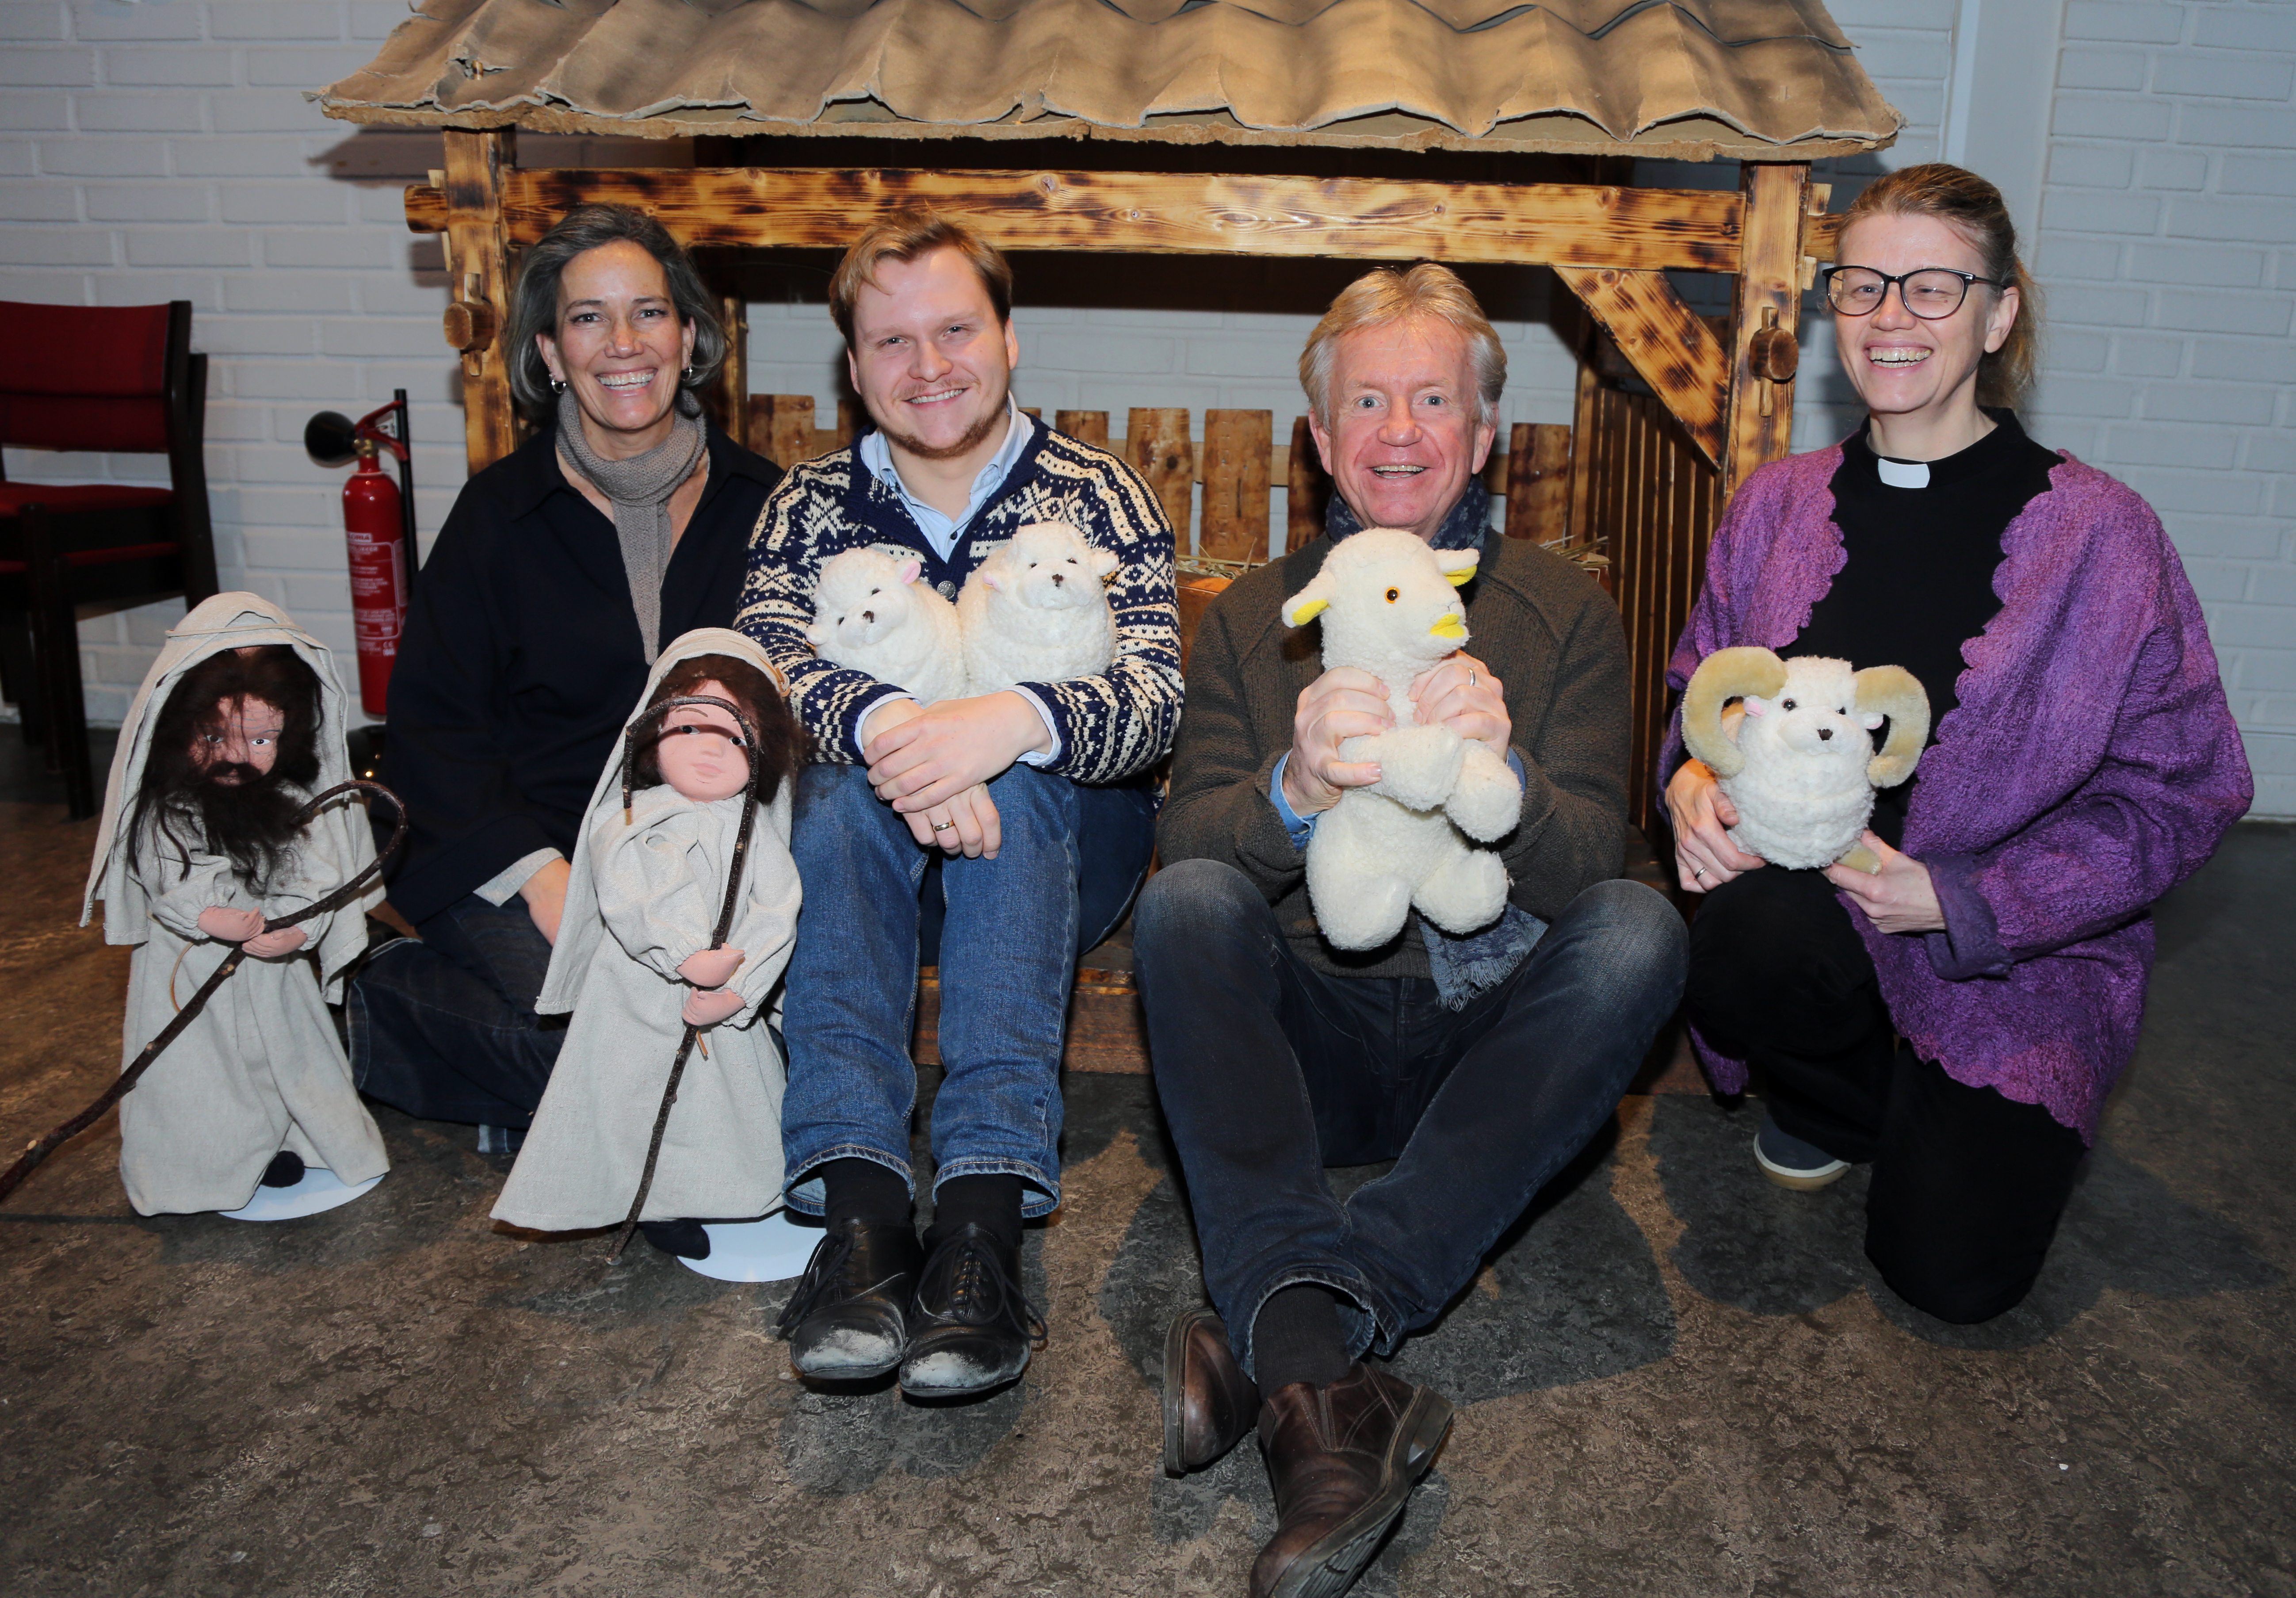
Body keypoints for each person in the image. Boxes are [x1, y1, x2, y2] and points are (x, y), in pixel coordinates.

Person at [1135, 264, 1686, 1598]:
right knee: (1187, 903)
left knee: (1638, 929)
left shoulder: (1561, 606)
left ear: (1485, 432)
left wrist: (1511, 775)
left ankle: (1288, 1326)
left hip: (1478, 1043)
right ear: (1318, 439)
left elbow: (1587, 863)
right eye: (1365, 400)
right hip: (1303, 1041)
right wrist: (1293, 793)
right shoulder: (1263, 620)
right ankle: (1332, 1371)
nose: (1398, 429)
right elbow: (1186, 852)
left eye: (1432, 398)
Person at [1662, 163, 2252, 1325]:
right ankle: (1834, 1096)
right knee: (1742, 937)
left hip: (2016, 959)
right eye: (1863, 285)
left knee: (1953, 1278)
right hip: (1817, 913)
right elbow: (1703, 684)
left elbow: (2188, 788)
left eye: (1933, 287)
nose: (1891, 316)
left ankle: (1959, 1113)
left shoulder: (2101, 535)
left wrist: (1966, 898)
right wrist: (1688, 772)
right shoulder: (1775, 503)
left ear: (1998, 312)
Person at [740, 214, 1179, 1399]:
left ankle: (981, 1220)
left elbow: (1151, 698)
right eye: (891, 341)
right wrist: (900, 732)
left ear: (1008, 338)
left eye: (953, 330)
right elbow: (769, 667)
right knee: (831, 793)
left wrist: (1006, 723)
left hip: (1062, 853)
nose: (927, 366)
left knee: (1024, 784)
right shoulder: (806, 507)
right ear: (852, 364)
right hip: (867, 871)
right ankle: (867, 1219)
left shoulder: (1099, 495)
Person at [351, 203, 784, 1148]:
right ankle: (383, 1008)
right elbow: (432, 730)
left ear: (690, 334)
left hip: (710, 860)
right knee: (641, 1060)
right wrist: (545, 879)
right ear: (549, 350)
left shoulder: (768, 505)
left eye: (648, 313)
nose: (622, 344)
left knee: (744, 1058)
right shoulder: (495, 517)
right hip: (524, 852)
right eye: (588, 318)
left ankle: (478, 1070)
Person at [492, 631, 806, 1262]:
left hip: (723, 1004)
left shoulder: (758, 834)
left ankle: (737, 1188)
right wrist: (689, 955)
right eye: (690, 728)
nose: (713, 748)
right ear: (652, 734)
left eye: (735, 733)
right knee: (636, 1095)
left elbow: (778, 912)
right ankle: (655, 1200)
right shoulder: (638, 821)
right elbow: (638, 898)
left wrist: (736, 989)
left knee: (727, 1100)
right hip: (639, 999)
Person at [83, 594, 388, 1218]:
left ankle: (296, 1140)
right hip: (191, 974)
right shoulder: (169, 810)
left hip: (273, 975)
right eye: (214, 736)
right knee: (206, 1076)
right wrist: (205, 916)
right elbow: (164, 870)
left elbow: (314, 872)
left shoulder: (286, 806)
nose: (237, 756)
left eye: (262, 739)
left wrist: (298, 926)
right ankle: (207, 1166)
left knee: (291, 1061)